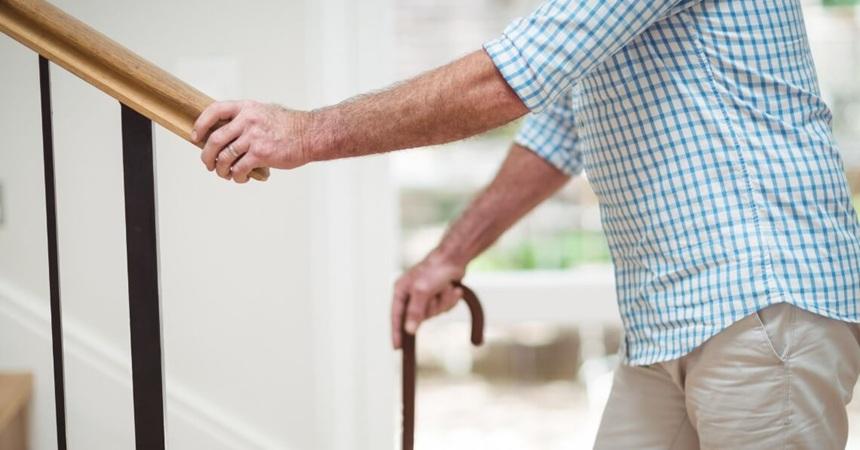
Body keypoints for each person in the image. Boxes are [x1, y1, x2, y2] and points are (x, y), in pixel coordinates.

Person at [192, 1, 860, 448]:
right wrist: (449, 255)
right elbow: (558, 130)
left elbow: (507, 80)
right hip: (675, 316)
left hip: (764, 297)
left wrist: (307, 131)